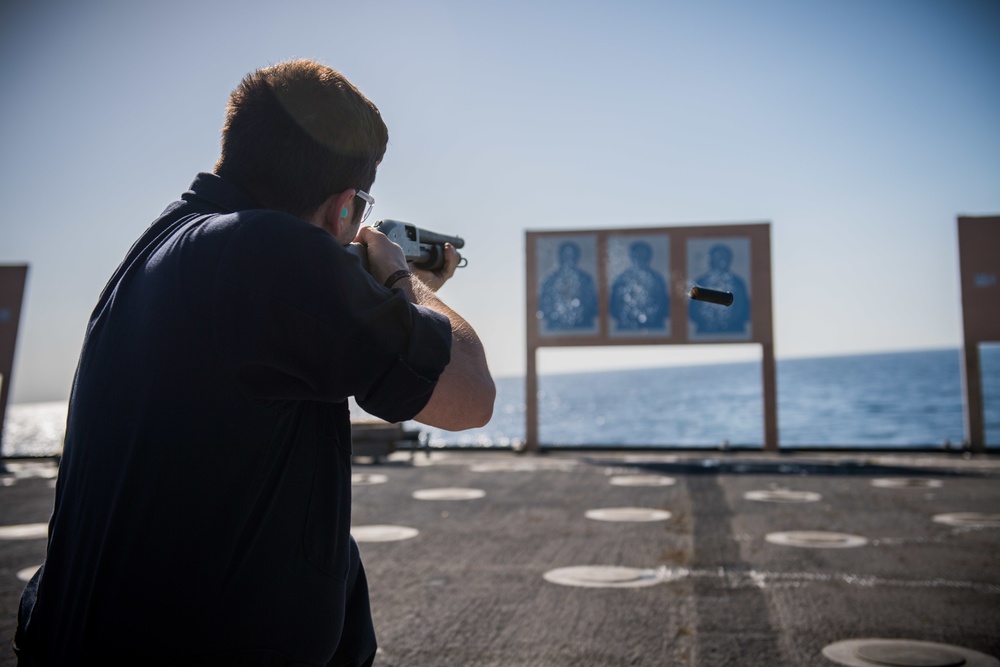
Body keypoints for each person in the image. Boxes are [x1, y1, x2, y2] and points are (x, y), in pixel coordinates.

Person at [13, 60, 495, 666]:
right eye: (358, 208)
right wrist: (403, 277)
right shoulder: (267, 252)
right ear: (347, 205)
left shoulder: (165, 243)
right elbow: (471, 395)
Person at [689, 242, 750, 335]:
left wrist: (728, 322)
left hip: (733, 331)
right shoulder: (700, 282)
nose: (721, 260)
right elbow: (693, 311)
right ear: (711, 260)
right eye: (717, 257)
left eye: (724, 257)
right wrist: (707, 321)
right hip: (705, 332)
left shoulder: (738, 283)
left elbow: (743, 309)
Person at [609, 240, 669, 331]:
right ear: (631, 256)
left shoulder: (657, 280)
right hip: (626, 328)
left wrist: (650, 316)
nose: (640, 258)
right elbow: (614, 307)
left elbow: (663, 306)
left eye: (643, 256)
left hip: (653, 327)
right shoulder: (621, 280)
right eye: (637, 255)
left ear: (649, 257)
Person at [538, 240, 598, 331]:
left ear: (577, 257)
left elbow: (593, 305)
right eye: (565, 255)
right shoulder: (549, 280)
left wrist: (581, 312)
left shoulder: (586, 279)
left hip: (582, 327)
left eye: (571, 255)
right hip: (556, 328)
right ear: (560, 256)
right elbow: (543, 305)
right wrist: (555, 314)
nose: (568, 258)